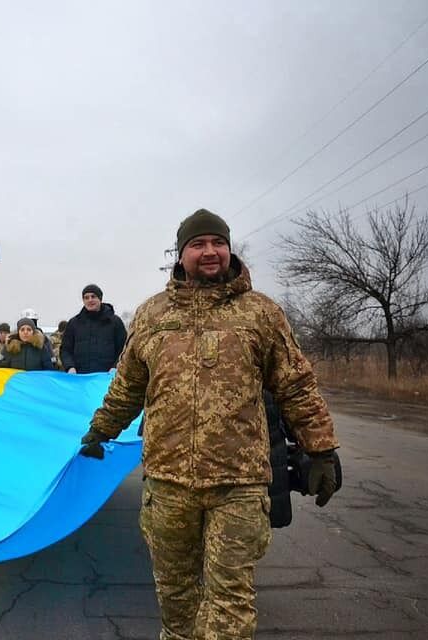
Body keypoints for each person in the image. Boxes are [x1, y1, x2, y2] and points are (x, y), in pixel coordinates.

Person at [78, 209, 340, 640]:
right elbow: (127, 387)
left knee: (228, 607)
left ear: (229, 249)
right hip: (168, 484)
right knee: (177, 601)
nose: (210, 252)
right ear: (180, 255)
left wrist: (321, 449)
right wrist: (100, 430)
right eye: (198, 245)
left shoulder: (260, 313)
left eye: (217, 243)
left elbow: (296, 385)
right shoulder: (152, 315)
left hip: (238, 485)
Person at [60, 284, 127, 373]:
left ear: (100, 298)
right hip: (80, 378)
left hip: (107, 378)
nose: (90, 300)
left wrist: (115, 366)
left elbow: (124, 349)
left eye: (93, 296)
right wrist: (70, 366)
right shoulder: (74, 323)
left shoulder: (114, 322)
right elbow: (65, 350)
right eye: (86, 297)